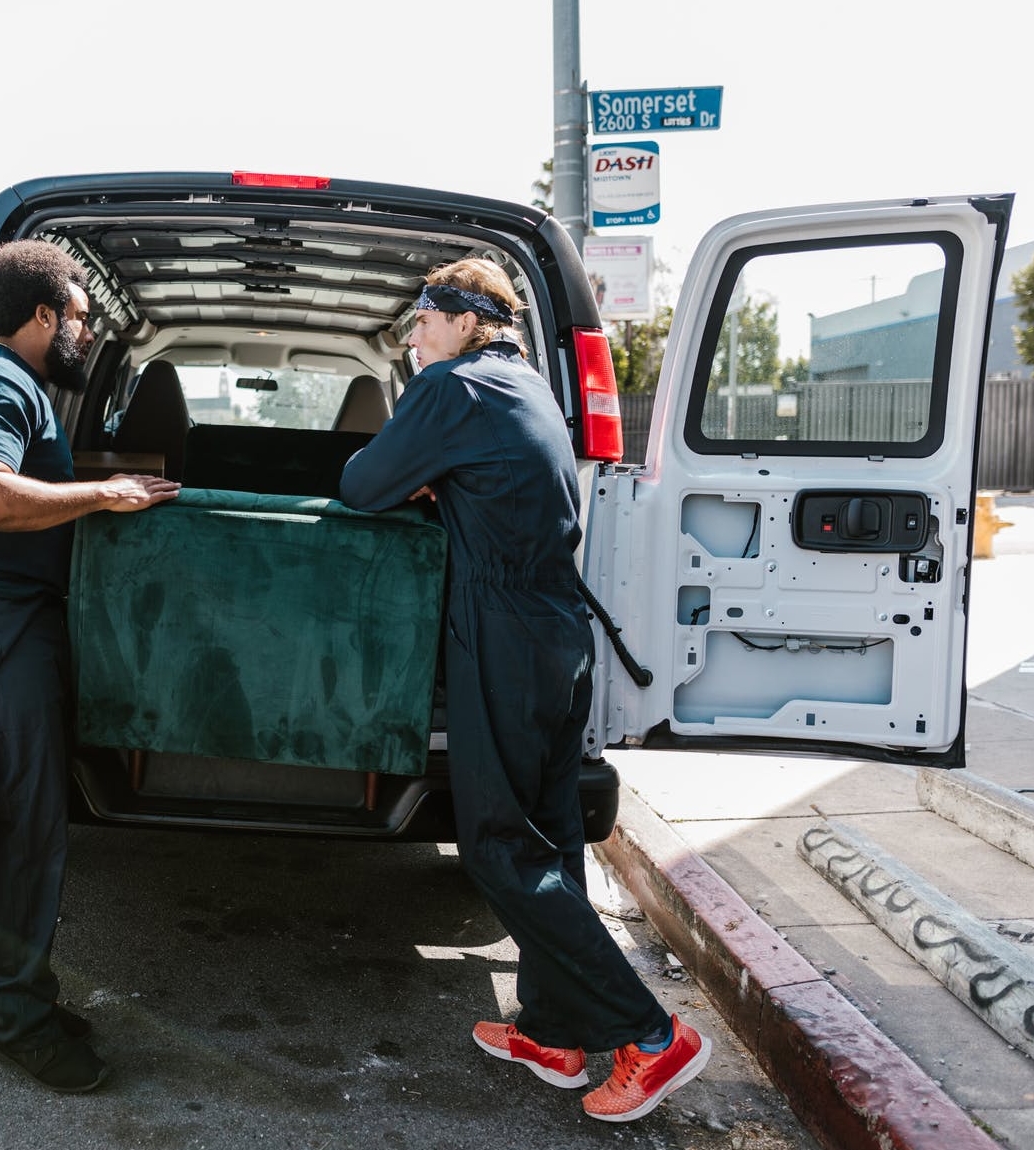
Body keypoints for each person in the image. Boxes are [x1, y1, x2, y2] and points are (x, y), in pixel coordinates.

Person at [338, 259, 709, 1123]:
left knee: (502, 846)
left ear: (467, 318)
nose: (414, 335)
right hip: (557, 637)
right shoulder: (530, 387)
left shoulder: (453, 388)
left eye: (423, 316)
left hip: (501, 637)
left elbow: (359, 484)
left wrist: (418, 472)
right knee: (548, 838)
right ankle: (555, 1029)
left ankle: (652, 1037)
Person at [0, 239, 179, 1093]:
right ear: (45, 313)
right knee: (22, 828)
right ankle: (20, 1020)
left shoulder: (16, 384)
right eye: (85, 317)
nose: (90, 333)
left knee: (8, 821)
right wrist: (105, 492)